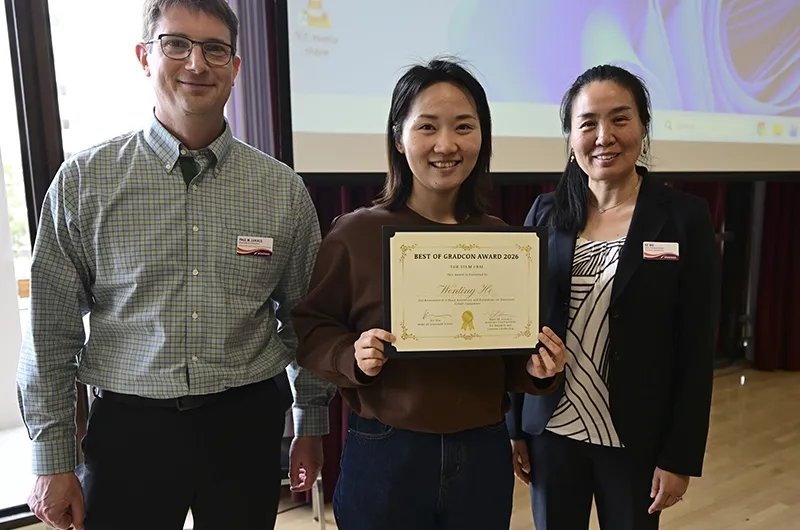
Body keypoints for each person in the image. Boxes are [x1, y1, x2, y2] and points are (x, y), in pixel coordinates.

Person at [16, 1, 334, 529]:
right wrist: (51, 459)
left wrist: (311, 422)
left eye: (215, 49)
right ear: (145, 56)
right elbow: (50, 332)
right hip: (129, 430)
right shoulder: (83, 183)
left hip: (245, 427)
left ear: (235, 67)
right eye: (176, 44)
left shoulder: (282, 191)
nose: (196, 64)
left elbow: (305, 318)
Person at [290, 58, 568, 530]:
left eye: (464, 126)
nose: (447, 144)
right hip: (385, 450)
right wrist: (351, 354)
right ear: (399, 138)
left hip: (482, 451)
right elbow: (311, 328)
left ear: (483, 138)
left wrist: (539, 369)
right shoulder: (356, 233)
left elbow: (509, 350)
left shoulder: (503, 242)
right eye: (428, 127)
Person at [506, 64, 721, 530]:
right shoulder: (545, 213)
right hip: (551, 431)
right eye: (588, 123)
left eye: (620, 119)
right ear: (571, 138)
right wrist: (514, 428)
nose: (604, 136)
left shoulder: (684, 218)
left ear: (643, 127)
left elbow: (697, 345)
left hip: (636, 438)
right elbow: (516, 324)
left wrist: (680, 455)